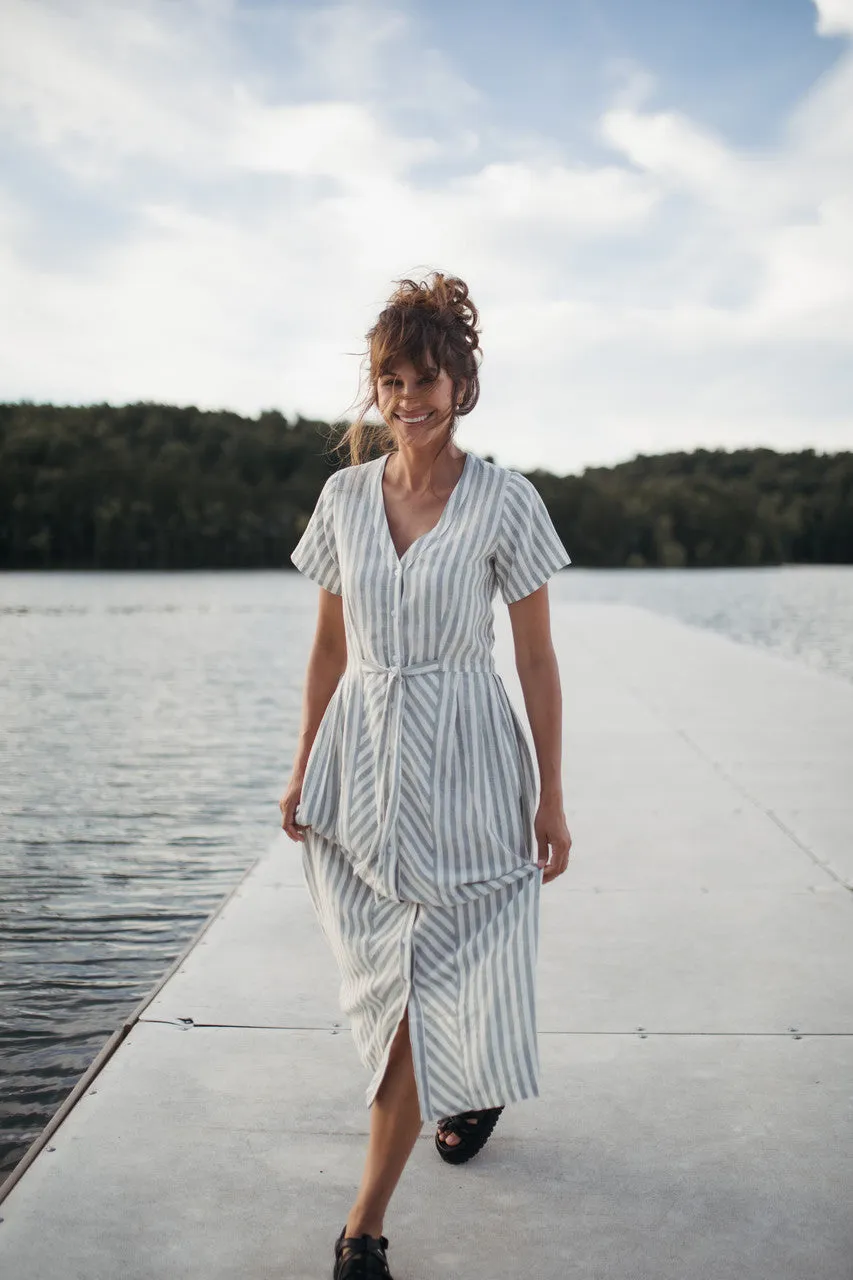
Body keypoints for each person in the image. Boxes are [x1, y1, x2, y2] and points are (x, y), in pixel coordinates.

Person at [281, 271, 573, 1280]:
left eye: (428, 377)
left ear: (463, 383)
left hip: (469, 765)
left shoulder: (506, 500)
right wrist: (300, 763)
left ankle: (362, 1226)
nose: (409, 398)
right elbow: (328, 649)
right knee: (386, 981)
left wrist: (552, 793)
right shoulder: (343, 498)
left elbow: (534, 658)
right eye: (391, 379)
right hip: (362, 766)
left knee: (424, 984)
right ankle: (460, 1081)